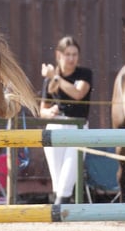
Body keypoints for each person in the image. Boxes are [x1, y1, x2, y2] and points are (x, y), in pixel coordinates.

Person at [39, 36, 93, 205]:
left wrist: (55, 77)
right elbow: (42, 110)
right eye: (67, 54)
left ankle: (58, 214)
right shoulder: (50, 79)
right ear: (59, 55)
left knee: (67, 181)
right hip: (56, 127)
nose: (71, 59)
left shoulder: (85, 74)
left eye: (74, 54)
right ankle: (59, 219)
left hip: (77, 128)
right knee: (57, 182)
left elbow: (78, 94)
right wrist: (51, 112)